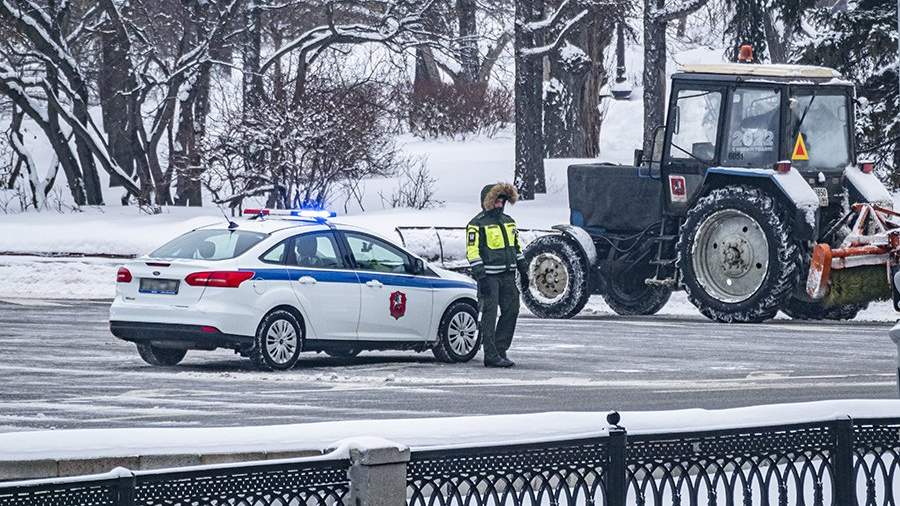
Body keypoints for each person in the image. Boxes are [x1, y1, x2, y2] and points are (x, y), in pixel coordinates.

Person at [466, 183, 529, 368]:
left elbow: (516, 247)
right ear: (488, 202)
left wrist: (523, 269)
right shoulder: (476, 224)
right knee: (489, 315)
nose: (500, 204)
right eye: (497, 201)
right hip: (489, 277)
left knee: (512, 310)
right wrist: (481, 276)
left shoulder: (509, 221)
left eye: (503, 201)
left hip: (508, 274)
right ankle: (490, 354)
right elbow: (472, 252)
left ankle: (501, 348)